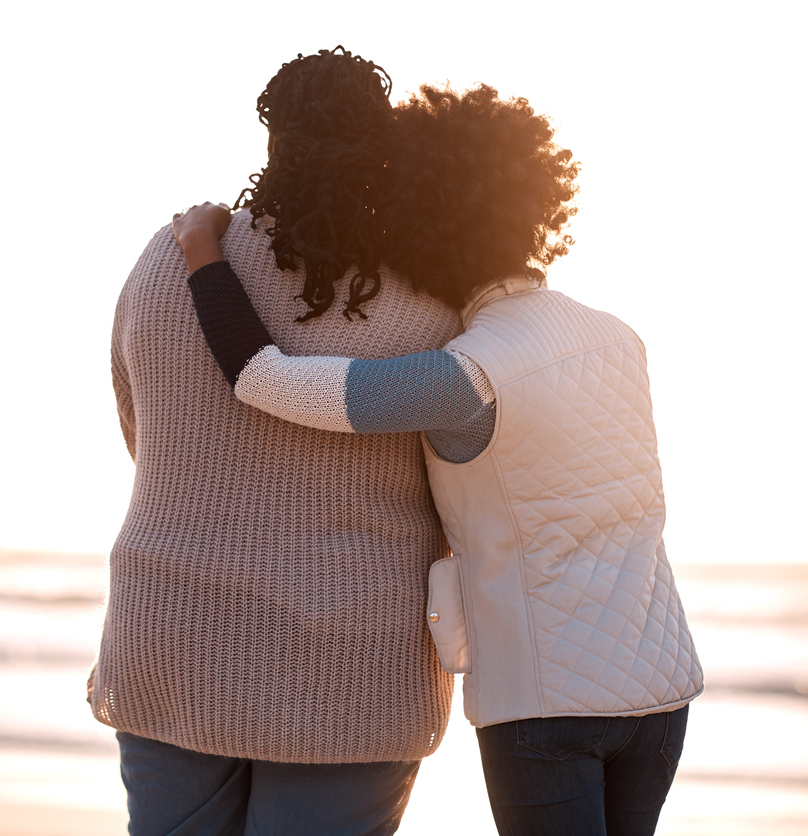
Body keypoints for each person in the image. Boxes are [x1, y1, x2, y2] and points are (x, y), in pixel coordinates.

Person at [172, 83, 704, 836]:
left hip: (546, 706)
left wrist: (201, 254)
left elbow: (266, 380)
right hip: (661, 691)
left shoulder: (463, 377)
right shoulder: (617, 336)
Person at [90, 48, 462, 835]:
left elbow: (138, 426)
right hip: (354, 655)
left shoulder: (170, 257)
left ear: (272, 139)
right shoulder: (429, 296)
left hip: (172, 624)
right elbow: (460, 476)